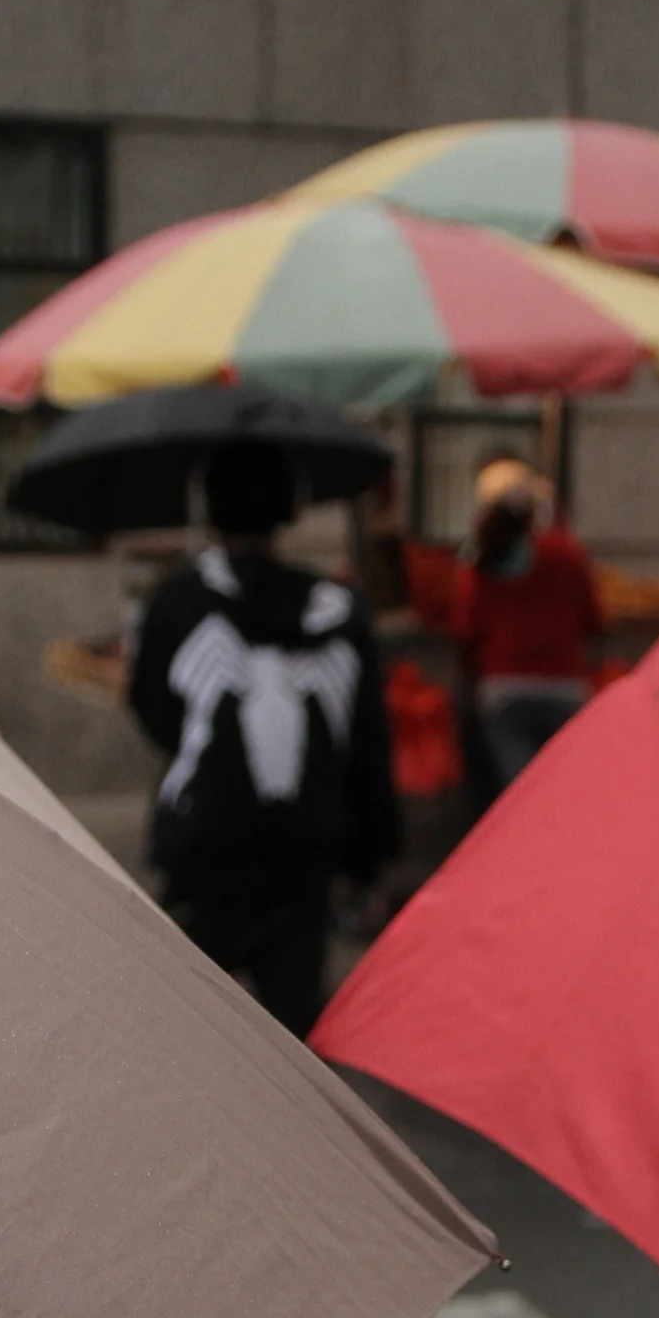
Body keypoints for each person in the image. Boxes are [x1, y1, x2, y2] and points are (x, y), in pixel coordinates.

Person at [125, 442, 397, 1038]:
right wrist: (369, 863)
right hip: (302, 854)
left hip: (207, 847)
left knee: (187, 1034)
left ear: (210, 509)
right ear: (291, 509)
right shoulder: (337, 608)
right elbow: (368, 742)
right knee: (294, 1050)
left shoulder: (178, 599)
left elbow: (152, 709)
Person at [451, 461, 603, 790]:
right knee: (566, 788)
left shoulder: (476, 564)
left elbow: (465, 629)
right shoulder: (567, 556)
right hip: (565, 685)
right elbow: (593, 618)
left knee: (519, 793)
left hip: (502, 689)